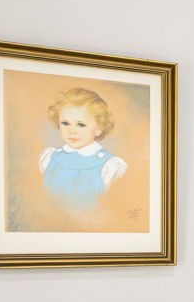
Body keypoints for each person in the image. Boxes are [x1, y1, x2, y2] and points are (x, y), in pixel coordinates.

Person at [38, 87, 127, 216]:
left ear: (99, 128)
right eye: (65, 123)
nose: (71, 130)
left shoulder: (110, 166)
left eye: (81, 125)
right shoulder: (50, 158)